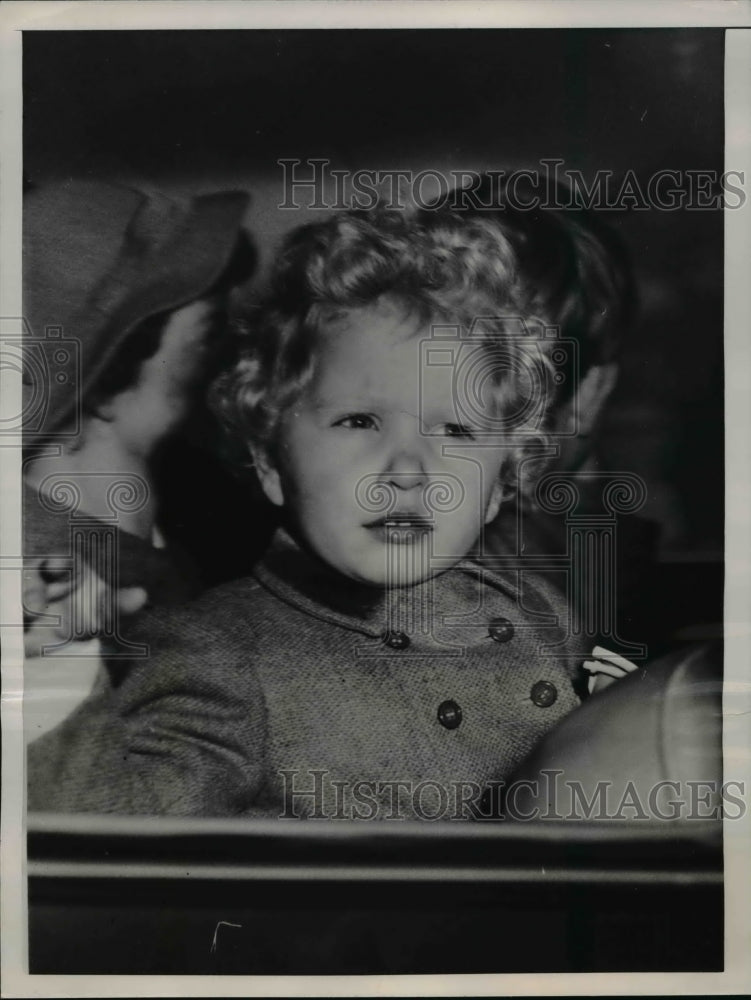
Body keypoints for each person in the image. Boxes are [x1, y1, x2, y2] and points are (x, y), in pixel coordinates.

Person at [27, 205, 634, 817]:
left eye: (456, 429)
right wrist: (51, 670)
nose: (407, 471)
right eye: (358, 421)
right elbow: (118, 829)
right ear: (268, 458)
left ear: (505, 476)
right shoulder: (219, 651)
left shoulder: (539, 614)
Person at [22, 178, 254, 734]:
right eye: (210, 333)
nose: (232, 359)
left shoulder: (177, 537)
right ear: (106, 379)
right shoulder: (50, 581)